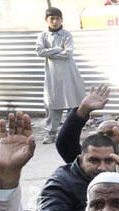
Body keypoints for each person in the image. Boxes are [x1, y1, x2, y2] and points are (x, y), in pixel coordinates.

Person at [34, 7, 84, 145]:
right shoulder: (43, 36)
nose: (55, 21)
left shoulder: (67, 35)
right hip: (52, 75)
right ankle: (51, 133)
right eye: (52, 19)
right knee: (52, 104)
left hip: (69, 73)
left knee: (72, 103)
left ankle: (71, 133)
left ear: (62, 19)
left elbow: (68, 53)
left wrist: (49, 52)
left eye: (57, 18)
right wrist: (57, 49)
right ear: (46, 20)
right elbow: (39, 52)